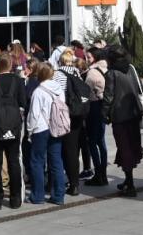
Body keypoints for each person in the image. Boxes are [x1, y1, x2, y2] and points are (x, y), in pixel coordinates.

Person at [101, 45, 143, 198]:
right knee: (130, 146)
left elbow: (108, 96)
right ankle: (128, 180)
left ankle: (131, 185)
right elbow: (140, 89)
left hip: (120, 115)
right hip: (134, 112)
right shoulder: (131, 68)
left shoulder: (112, 73)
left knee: (124, 147)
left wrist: (104, 114)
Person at [0, 54, 28, 209]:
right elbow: (23, 103)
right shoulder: (18, 81)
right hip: (14, 126)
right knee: (14, 160)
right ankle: (16, 198)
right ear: (10, 65)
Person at [26, 62, 67, 204]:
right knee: (56, 161)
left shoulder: (38, 91)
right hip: (57, 127)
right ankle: (59, 195)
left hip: (41, 128)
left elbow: (33, 114)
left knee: (37, 161)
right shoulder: (59, 89)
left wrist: (29, 131)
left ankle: (38, 195)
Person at [54, 51, 88, 195]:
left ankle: (72, 184)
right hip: (78, 115)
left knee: (66, 150)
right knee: (73, 149)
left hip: (66, 115)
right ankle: (74, 182)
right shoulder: (77, 73)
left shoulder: (58, 75)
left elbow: (58, 95)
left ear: (61, 61)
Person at [82, 47, 109, 185]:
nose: (87, 59)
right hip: (103, 107)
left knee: (92, 142)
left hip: (94, 107)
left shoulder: (92, 73)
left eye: (89, 57)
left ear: (96, 58)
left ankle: (99, 173)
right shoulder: (105, 68)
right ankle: (103, 172)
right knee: (101, 141)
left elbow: (84, 93)